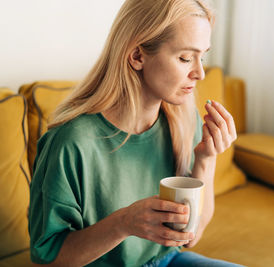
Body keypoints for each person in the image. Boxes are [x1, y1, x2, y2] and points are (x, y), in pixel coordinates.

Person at [28, 0, 241, 266]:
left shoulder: (181, 120)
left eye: (203, 56)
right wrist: (123, 223)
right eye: (186, 58)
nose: (199, 73)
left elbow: (190, 236)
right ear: (138, 56)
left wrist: (206, 158)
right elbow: (48, 259)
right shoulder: (72, 143)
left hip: (167, 260)